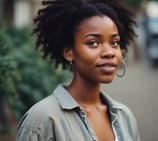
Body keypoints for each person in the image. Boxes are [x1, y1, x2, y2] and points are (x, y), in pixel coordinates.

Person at [15, 0, 140, 141]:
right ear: (69, 52)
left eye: (114, 42)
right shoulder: (42, 120)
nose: (109, 52)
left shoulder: (125, 116)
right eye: (93, 43)